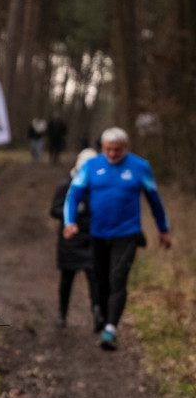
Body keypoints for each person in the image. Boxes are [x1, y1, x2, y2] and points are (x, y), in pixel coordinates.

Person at [63, 127, 171, 350]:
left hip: (127, 233)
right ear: (102, 148)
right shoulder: (91, 166)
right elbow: (73, 195)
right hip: (99, 232)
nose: (112, 154)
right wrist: (70, 222)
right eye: (108, 149)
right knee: (102, 281)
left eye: (117, 150)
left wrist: (163, 229)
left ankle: (110, 329)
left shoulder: (140, 167)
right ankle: (103, 315)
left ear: (126, 148)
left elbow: (154, 200)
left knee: (118, 277)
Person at [50, 148, 100, 330]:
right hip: (69, 240)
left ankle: (97, 314)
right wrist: (69, 215)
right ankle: (62, 314)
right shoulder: (66, 185)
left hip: (91, 239)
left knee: (94, 279)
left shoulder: (97, 187)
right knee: (67, 279)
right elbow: (54, 210)